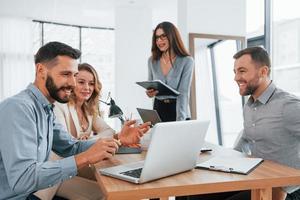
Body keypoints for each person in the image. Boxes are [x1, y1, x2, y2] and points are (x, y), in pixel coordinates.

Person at [0, 41, 150, 200]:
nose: (72, 83)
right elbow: (23, 179)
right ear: (41, 70)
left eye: (74, 75)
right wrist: (85, 157)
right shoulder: (19, 108)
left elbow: (71, 147)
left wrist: (118, 138)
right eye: (65, 74)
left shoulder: (46, 109)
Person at [177, 47, 300, 200]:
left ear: (263, 71)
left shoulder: (288, 105)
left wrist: (289, 185)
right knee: (193, 196)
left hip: (283, 189)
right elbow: (247, 138)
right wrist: (227, 160)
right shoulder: (249, 106)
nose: (236, 78)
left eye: (242, 71)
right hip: (256, 178)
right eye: (235, 72)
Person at [146, 21, 194, 122]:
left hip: (178, 109)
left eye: (163, 36)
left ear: (172, 36)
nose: (159, 41)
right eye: (157, 37)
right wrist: (150, 93)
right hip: (158, 108)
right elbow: (150, 86)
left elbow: (184, 93)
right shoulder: (152, 61)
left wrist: (180, 120)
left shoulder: (187, 61)